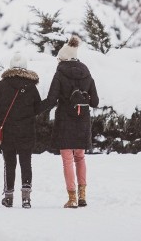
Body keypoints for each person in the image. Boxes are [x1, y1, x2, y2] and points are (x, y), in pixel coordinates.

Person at [40, 35, 99, 208]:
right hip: (82, 120)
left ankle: (72, 198)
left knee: (67, 159)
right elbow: (95, 102)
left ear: (62, 57)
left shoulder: (59, 74)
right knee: (80, 157)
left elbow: (51, 100)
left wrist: (34, 109)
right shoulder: (87, 74)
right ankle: (82, 196)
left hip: (65, 120)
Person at [0, 51, 42, 208]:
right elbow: (37, 108)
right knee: (26, 162)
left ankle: (9, 197)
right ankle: (26, 198)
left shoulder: (3, 84)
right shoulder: (31, 86)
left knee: (9, 163)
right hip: (26, 131)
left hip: (8, 131)